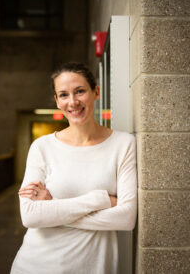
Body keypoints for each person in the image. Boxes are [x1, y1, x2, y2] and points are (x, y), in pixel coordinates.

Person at [10, 62, 137, 274]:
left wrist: (53, 207)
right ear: (57, 101)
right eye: (63, 94)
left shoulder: (123, 145)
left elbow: (125, 218)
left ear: (95, 92)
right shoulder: (42, 147)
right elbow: (31, 216)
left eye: (80, 91)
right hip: (35, 265)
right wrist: (100, 200)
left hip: (93, 267)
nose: (73, 102)